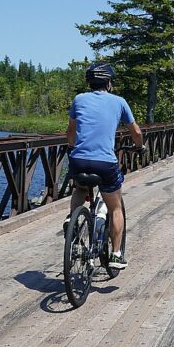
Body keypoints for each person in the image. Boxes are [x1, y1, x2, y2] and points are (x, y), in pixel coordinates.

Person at [66, 62, 143, 269]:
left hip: (79, 159)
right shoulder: (119, 102)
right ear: (109, 82)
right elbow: (135, 132)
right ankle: (116, 254)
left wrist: (73, 147)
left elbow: (70, 132)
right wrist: (140, 146)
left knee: (80, 188)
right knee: (116, 207)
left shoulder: (79, 99)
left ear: (90, 82)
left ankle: (72, 220)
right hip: (105, 163)